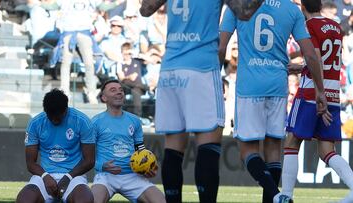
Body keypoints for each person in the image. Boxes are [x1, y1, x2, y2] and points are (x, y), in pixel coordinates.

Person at [139, 0, 264, 202]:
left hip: (170, 69)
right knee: (207, 144)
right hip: (201, 67)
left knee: (173, 146)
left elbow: (145, 10)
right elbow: (245, 12)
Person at [219, 0, 329, 202]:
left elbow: (221, 46)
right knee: (272, 151)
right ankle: (276, 199)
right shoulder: (291, 9)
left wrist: (214, 79)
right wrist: (320, 91)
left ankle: (277, 196)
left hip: (249, 86)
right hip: (278, 85)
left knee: (247, 151)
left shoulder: (237, 4)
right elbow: (310, 55)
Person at [277, 0, 353, 202]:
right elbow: (329, 61)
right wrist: (302, 67)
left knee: (292, 141)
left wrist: (318, 90)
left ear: (302, 8)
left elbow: (317, 59)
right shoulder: (336, 26)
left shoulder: (308, 26)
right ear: (319, 5)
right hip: (334, 93)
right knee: (327, 150)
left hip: (312, 93)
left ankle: (286, 195)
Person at [90, 79, 165, 203]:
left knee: (161, 201)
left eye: (121, 90)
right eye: (113, 90)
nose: (119, 92)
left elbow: (140, 150)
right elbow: (88, 155)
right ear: (104, 98)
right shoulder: (95, 122)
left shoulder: (134, 120)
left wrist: (148, 167)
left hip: (133, 175)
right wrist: (102, 166)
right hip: (106, 176)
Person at [16, 89, 95, 203]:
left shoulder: (82, 121)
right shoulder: (35, 123)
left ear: (66, 110)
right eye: (50, 116)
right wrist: (45, 177)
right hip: (44, 175)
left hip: (74, 176)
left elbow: (89, 160)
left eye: (58, 116)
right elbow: (30, 163)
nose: (54, 120)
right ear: (45, 111)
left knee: (85, 199)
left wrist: (67, 178)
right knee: (24, 199)